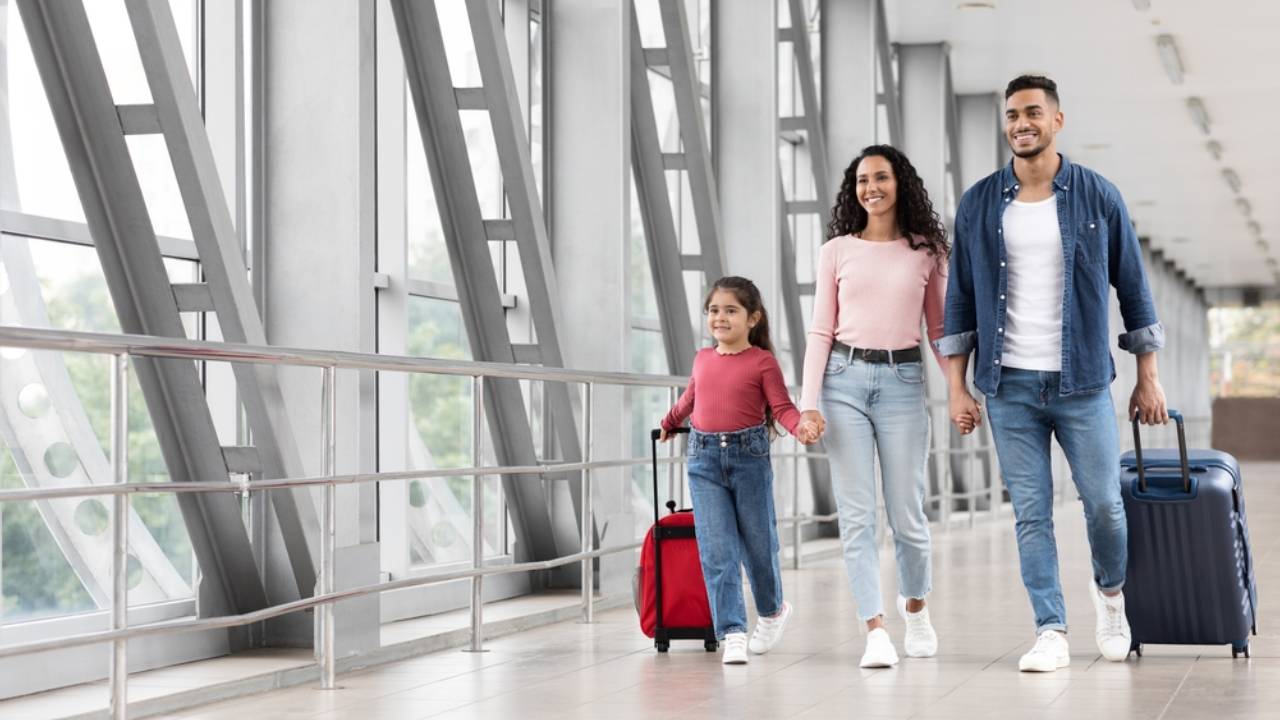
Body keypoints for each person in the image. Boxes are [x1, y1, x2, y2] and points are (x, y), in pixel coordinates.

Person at [936, 74, 1168, 673]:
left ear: (1057, 120)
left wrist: (1149, 374)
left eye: (1033, 112)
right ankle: (1051, 628)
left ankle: (1111, 597)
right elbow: (958, 300)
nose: (1021, 123)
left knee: (1103, 506)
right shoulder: (981, 202)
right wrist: (957, 386)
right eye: (1012, 114)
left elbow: (1135, 289)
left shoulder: (1098, 196)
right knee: (1031, 512)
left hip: (1084, 381)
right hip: (1008, 384)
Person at [798, 145, 947, 668]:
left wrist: (959, 390)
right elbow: (820, 330)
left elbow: (940, 329)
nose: (871, 188)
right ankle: (874, 630)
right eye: (862, 180)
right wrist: (807, 405)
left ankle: (916, 607)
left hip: (905, 381)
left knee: (907, 513)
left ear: (900, 183)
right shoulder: (836, 250)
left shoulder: (926, 251)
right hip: (842, 382)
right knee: (859, 516)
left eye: (881, 177)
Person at [659, 276, 814, 665]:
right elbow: (690, 398)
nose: (720, 318)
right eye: (714, 310)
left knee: (759, 548)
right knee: (718, 551)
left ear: (753, 318)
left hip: (748, 461)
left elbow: (781, 408)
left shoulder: (762, 362)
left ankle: (773, 610)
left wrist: (801, 427)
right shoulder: (702, 358)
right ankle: (732, 632)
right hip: (703, 461)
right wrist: (669, 421)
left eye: (731, 310)